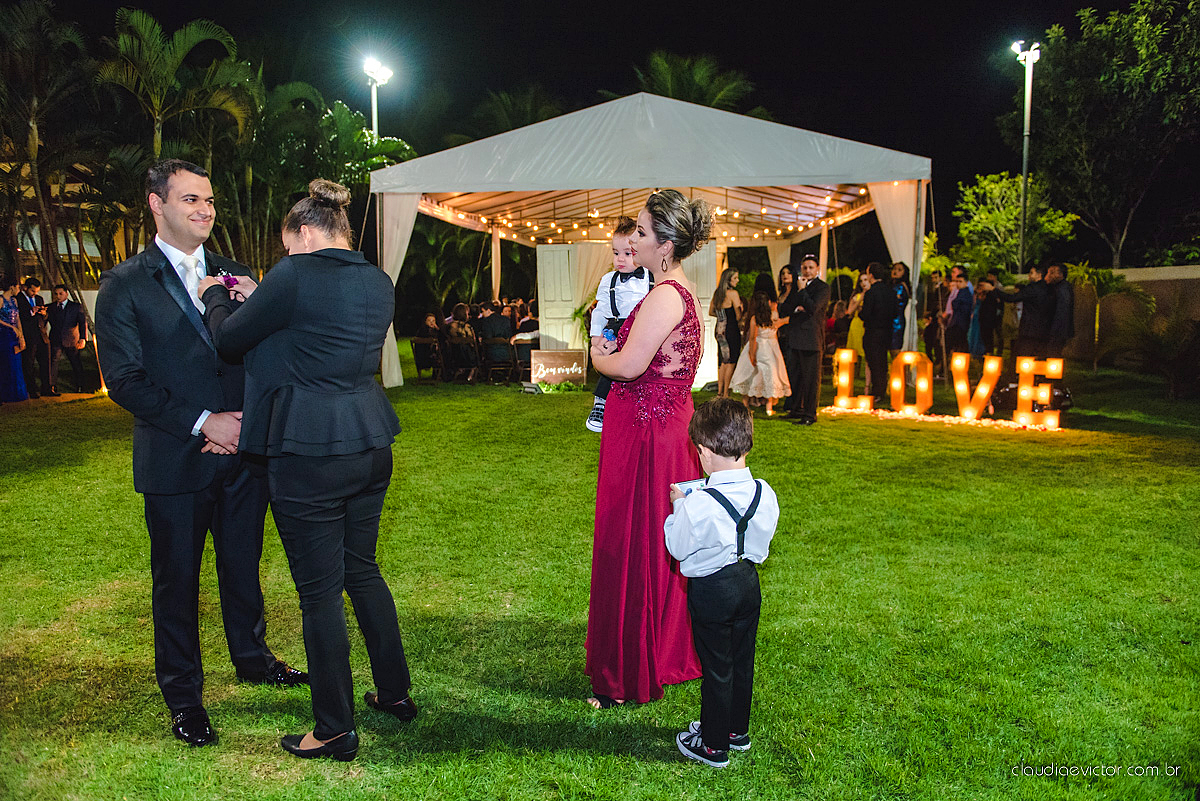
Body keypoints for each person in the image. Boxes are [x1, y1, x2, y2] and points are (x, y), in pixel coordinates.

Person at [95, 159, 307, 749]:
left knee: (243, 567)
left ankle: (253, 657)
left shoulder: (239, 275)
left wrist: (245, 425)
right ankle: (184, 697)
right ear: (156, 205)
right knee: (177, 582)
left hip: (243, 456)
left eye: (209, 200)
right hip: (175, 459)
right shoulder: (124, 285)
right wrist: (203, 422)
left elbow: (264, 355)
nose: (204, 210)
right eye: (190, 199)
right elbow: (126, 380)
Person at [199, 179, 412, 762]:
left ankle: (334, 727)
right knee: (362, 569)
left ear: (307, 234)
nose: (287, 256)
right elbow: (314, 333)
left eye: (289, 246)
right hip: (370, 438)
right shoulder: (376, 279)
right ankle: (394, 693)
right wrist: (263, 289)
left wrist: (219, 292)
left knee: (319, 594)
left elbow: (229, 342)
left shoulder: (292, 275)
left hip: (309, 449)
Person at [585, 189, 710, 708]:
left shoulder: (663, 296)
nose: (632, 240)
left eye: (640, 232)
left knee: (635, 542)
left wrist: (597, 355)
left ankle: (631, 667)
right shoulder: (677, 291)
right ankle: (652, 648)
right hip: (656, 429)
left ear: (665, 245)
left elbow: (631, 366)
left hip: (647, 437)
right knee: (657, 544)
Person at [665, 398, 779, 768]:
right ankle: (736, 730)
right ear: (747, 444)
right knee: (742, 659)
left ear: (703, 452)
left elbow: (677, 547)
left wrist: (679, 506)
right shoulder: (765, 491)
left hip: (713, 591)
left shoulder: (698, 504)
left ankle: (713, 746)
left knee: (717, 666)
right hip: (748, 583)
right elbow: (762, 539)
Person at [586, 217, 649, 432]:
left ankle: (643, 403)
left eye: (627, 253)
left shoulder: (651, 277)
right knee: (610, 361)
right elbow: (600, 311)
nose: (620, 259)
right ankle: (600, 403)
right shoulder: (608, 280)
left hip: (643, 326)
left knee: (640, 366)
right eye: (615, 253)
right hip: (616, 327)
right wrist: (596, 338)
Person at [778, 255, 830, 425]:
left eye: (811, 267)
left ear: (817, 270)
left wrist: (802, 294)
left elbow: (814, 308)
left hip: (811, 339)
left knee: (810, 379)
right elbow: (785, 310)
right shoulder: (797, 287)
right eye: (805, 267)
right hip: (795, 337)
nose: (807, 271)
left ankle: (809, 413)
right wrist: (796, 297)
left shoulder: (822, 288)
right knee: (795, 376)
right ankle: (796, 408)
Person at [729, 291, 789, 415]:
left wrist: (751, 354)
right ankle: (769, 407)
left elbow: (752, 338)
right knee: (770, 374)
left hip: (759, 347)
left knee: (749, 374)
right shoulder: (774, 316)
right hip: (771, 348)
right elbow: (775, 333)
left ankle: (746, 405)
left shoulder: (755, 318)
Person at [995, 265, 1053, 360]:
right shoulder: (1048, 289)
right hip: (1043, 330)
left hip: (1029, 329)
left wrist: (994, 290)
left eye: (1031, 273)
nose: (1029, 276)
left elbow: (1012, 298)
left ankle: (1017, 374)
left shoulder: (1032, 288)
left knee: (1022, 355)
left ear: (1039, 275)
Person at [859, 262, 894, 406]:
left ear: (871, 275)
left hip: (873, 331)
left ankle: (877, 390)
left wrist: (862, 313)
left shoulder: (871, 292)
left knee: (874, 362)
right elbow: (895, 311)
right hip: (887, 331)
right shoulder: (890, 291)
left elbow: (866, 313)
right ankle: (882, 389)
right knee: (883, 362)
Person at [47, 284, 91, 393]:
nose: (58, 296)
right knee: (54, 362)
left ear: (66, 293)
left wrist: (82, 338)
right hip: (56, 338)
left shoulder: (76, 307)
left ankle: (80, 385)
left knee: (75, 362)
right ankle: (51, 386)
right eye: (56, 294)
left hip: (71, 339)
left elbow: (82, 323)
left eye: (61, 293)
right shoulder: (51, 307)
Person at [16, 278, 53, 397]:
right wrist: (31, 312)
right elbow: (19, 318)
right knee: (29, 364)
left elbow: (45, 318)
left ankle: (46, 388)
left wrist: (44, 314)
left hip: (42, 335)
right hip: (29, 335)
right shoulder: (18, 299)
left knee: (45, 363)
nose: (34, 293)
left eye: (37, 291)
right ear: (26, 288)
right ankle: (32, 390)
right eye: (32, 291)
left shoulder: (39, 299)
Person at [710, 266, 743, 399]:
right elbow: (738, 316)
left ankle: (720, 391)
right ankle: (725, 393)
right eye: (735, 278)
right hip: (731, 330)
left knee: (722, 360)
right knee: (731, 360)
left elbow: (711, 311)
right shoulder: (733, 294)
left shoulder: (718, 293)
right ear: (728, 280)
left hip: (719, 329)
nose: (738, 280)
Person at [1, 274, 29, 403]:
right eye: (18, 287)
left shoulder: (14, 300)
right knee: (8, 364)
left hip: (15, 334)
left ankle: (18, 393)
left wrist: (21, 334)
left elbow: (17, 318)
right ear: (12, 287)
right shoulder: (1, 300)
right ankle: (7, 394)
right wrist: (11, 327)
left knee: (17, 363)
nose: (19, 290)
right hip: (4, 334)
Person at [1046, 263, 1075, 358]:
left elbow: (1062, 311)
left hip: (1058, 330)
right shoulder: (1059, 287)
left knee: (1053, 354)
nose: (1048, 276)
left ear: (1060, 274)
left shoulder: (1063, 289)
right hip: (1058, 329)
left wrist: (1055, 329)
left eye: (1052, 273)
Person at [942, 267, 973, 357]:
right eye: (957, 282)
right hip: (955, 321)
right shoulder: (960, 292)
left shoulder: (966, 293)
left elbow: (959, 306)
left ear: (966, 283)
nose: (958, 284)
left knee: (958, 345)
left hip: (960, 323)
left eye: (961, 282)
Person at [845, 271, 869, 381]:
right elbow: (849, 311)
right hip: (856, 324)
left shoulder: (873, 294)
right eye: (861, 281)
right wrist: (861, 298)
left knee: (866, 351)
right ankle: (853, 375)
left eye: (865, 280)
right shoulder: (857, 296)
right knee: (854, 351)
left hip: (866, 325)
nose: (863, 283)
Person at [889, 262, 911, 355]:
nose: (895, 271)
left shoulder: (901, 286)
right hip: (890, 319)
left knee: (895, 349)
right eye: (894, 269)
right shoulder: (892, 285)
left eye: (899, 270)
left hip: (896, 320)